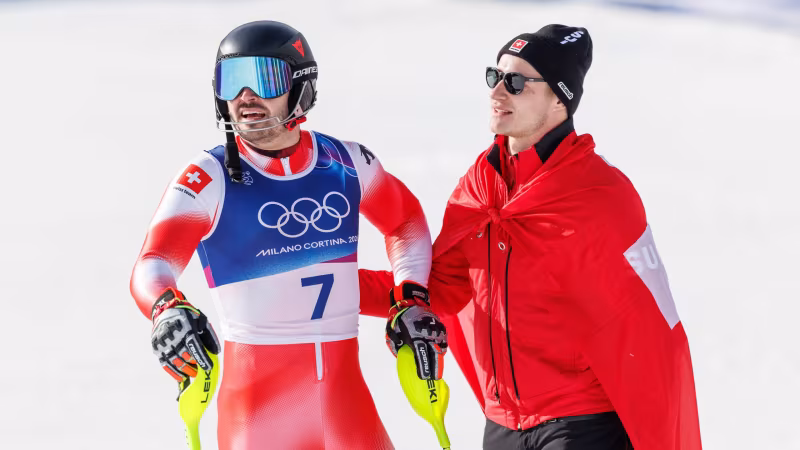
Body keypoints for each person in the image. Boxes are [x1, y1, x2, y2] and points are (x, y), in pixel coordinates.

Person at [358, 24, 702, 449]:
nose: (497, 92)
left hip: (581, 424)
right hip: (502, 424)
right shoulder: (479, 186)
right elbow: (441, 288)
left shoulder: (598, 195)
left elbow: (645, 327)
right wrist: (335, 288)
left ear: (559, 98)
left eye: (516, 82)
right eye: (495, 76)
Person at [131, 21, 447, 450]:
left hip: (346, 409)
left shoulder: (347, 162)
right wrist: (166, 308)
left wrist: (411, 296)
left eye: (263, 78)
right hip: (259, 417)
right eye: (231, 80)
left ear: (300, 86)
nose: (245, 96)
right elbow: (153, 262)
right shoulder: (208, 177)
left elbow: (405, 223)